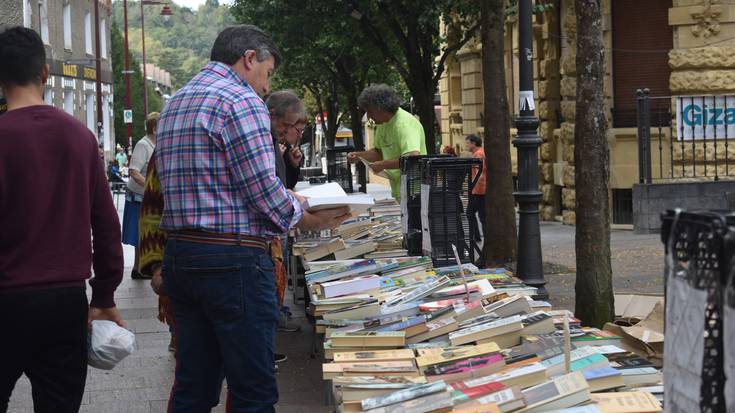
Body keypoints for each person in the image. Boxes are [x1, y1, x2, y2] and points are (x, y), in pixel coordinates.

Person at [155, 25, 350, 412]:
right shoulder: (240, 101)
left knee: (193, 383)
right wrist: (306, 215)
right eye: (268, 72)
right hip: (233, 263)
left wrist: (288, 198)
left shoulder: (176, 102)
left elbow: (221, 185)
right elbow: (264, 192)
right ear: (248, 58)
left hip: (183, 256)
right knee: (253, 389)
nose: (266, 85)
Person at [0, 26, 124, 411]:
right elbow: (106, 224)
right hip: (65, 302)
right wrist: (103, 293)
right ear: (44, 75)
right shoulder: (80, 137)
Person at [347, 84, 427, 200]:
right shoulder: (382, 124)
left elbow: (412, 158)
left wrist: (383, 165)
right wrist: (359, 156)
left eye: (370, 111)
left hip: (416, 191)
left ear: (381, 107)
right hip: (400, 189)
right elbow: (379, 152)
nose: (368, 116)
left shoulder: (405, 124)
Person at [122, 112, 159, 280]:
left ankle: (141, 268)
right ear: (154, 127)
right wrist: (151, 185)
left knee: (143, 232)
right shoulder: (143, 145)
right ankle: (138, 268)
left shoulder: (156, 143)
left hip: (145, 196)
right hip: (138, 196)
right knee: (138, 233)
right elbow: (133, 172)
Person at [267, 90, 305, 190]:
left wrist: (293, 165)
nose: (286, 130)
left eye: (291, 126)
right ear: (271, 115)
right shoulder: (264, 140)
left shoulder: (277, 142)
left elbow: (287, 185)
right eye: (285, 124)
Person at [465, 134, 487, 241]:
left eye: (468, 143)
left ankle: (477, 237)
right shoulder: (480, 153)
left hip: (479, 190)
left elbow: (479, 173)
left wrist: (473, 185)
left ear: (473, 143)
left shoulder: (478, 155)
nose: (466, 146)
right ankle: (476, 236)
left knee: (477, 215)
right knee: (473, 214)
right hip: (478, 190)